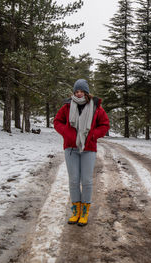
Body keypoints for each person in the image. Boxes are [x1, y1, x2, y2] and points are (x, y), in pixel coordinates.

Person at [54, 79, 110, 226]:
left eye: (81, 91)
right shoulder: (67, 106)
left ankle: (84, 212)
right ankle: (75, 211)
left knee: (86, 181)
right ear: (74, 92)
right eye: (76, 91)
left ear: (86, 92)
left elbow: (105, 124)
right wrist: (66, 132)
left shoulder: (96, 107)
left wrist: (92, 135)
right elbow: (57, 122)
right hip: (71, 148)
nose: (79, 94)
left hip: (88, 148)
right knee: (73, 180)